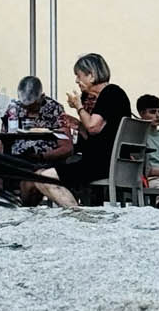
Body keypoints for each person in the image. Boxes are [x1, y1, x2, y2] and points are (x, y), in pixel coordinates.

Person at [37, 54, 131, 208]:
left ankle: (78, 214)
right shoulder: (113, 94)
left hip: (102, 164)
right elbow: (100, 132)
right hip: (108, 162)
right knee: (39, 176)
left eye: (78, 76)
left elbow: (94, 128)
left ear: (91, 75)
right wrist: (79, 125)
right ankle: (76, 212)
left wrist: (78, 106)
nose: (76, 80)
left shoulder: (110, 93)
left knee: (44, 177)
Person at [0, 75, 72, 201]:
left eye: (32, 106)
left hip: (43, 161)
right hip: (15, 160)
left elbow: (67, 147)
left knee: (30, 180)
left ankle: (25, 210)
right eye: (24, 106)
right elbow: (2, 141)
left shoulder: (54, 109)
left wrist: (42, 156)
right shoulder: (14, 108)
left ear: (42, 97)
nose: (27, 110)